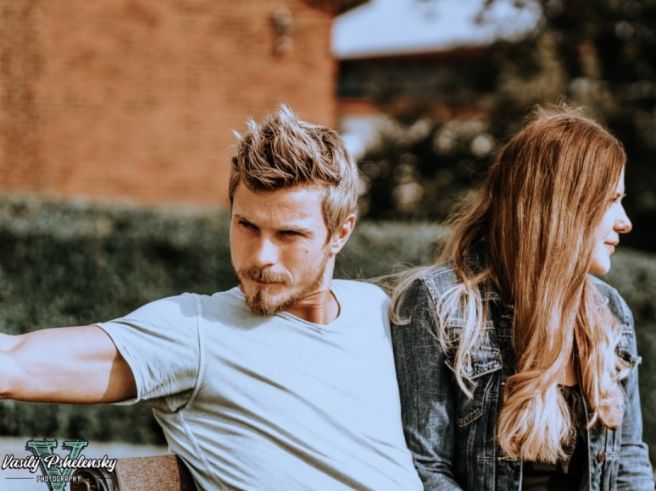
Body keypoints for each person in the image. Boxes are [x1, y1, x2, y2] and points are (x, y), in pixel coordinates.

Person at [0, 105, 423, 490]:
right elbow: (18, 362)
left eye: (289, 234)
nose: (260, 257)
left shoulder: (376, 310)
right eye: (246, 226)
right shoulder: (194, 332)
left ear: (341, 232)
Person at [391, 105, 655, 490]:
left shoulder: (610, 310)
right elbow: (425, 469)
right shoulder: (440, 303)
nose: (625, 221)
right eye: (611, 199)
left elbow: (629, 461)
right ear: (563, 205)